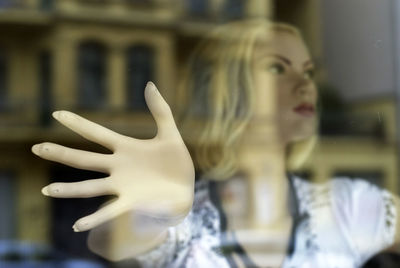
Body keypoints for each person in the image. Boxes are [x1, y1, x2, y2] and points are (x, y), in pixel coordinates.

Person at [31, 19, 400, 267]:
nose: (305, 85)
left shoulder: (348, 206)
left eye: (308, 71)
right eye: (277, 67)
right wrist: (159, 208)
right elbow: (109, 242)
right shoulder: (186, 223)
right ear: (226, 88)